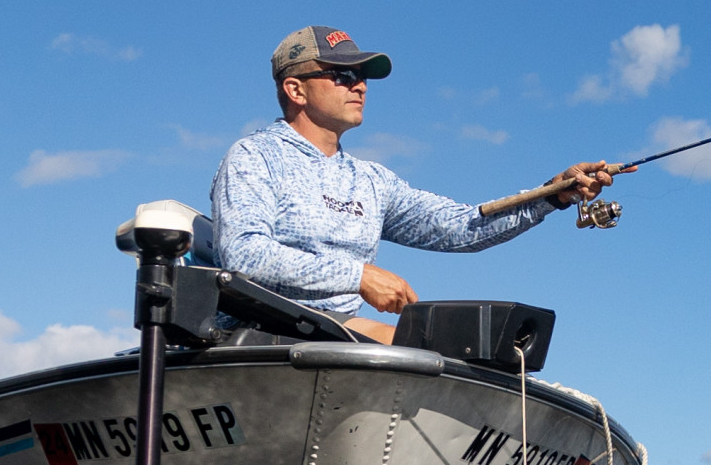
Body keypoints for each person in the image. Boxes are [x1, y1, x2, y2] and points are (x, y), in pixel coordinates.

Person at [208, 25, 629, 343]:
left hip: (332, 336)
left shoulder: (371, 181)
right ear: (295, 89)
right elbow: (244, 256)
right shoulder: (253, 156)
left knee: (462, 361)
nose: (359, 85)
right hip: (257, 339)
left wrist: (550, 197)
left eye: (362, 76)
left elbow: (461, 227)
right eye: (341, 74)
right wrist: (356, 276)